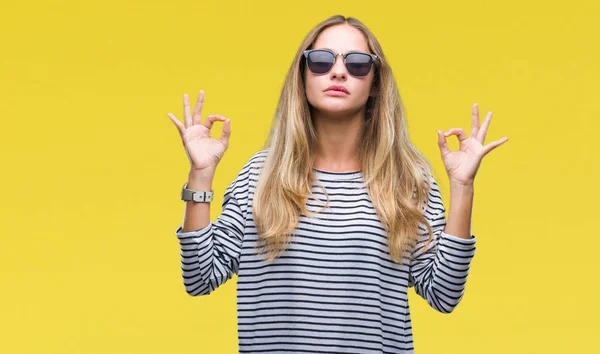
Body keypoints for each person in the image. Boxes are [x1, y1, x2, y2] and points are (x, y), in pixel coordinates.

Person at [167, 14, 507, 354]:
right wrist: (200, 174)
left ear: (375, 83)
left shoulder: (407, 179)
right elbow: (200, 278)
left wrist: (462, 187)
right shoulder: (260, 175)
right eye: (321, 60)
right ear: (302, 75)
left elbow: (443, 294)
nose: (339, 71)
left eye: (358, 63)